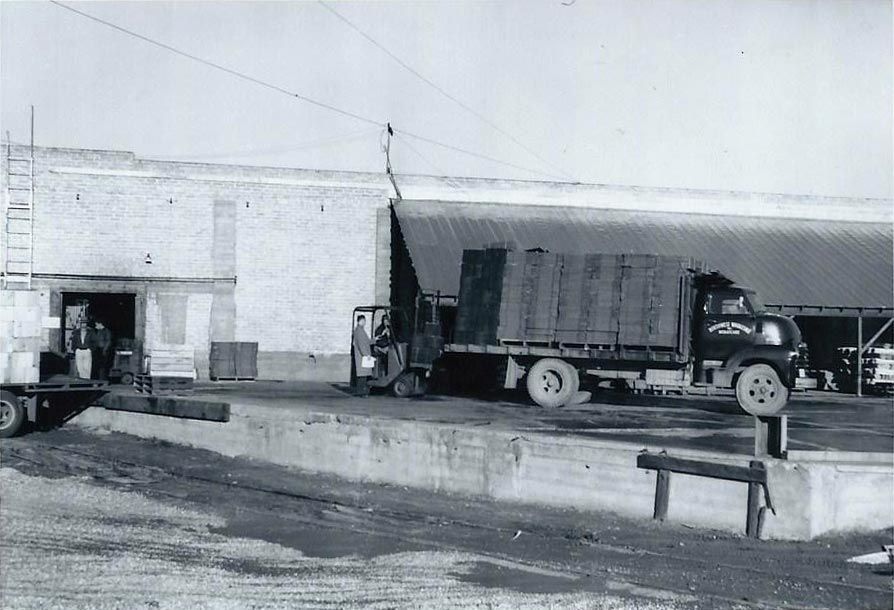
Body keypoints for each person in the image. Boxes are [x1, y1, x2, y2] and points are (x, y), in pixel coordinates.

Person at [352, 315, 373, 396]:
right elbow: (361, 344)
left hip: (363, 355)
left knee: (363, 375)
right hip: (362, 356)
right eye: (363, 321)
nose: (364, 322)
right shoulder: (359, 331)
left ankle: (362, 391)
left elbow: (366, 341)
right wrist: (366, 354)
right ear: (360, 321)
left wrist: (374, 340)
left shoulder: (360, 330)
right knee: (362, 375)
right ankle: (361, 392)